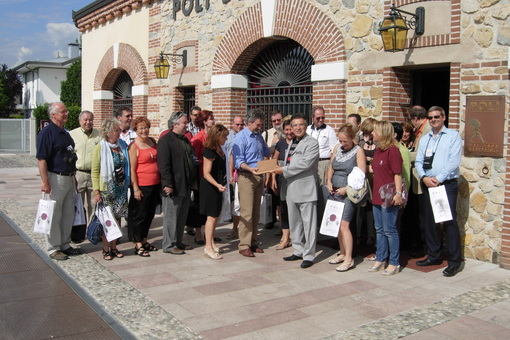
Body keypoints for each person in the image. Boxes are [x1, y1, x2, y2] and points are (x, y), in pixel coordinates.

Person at [415, 106, 462, 277]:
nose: (433, 119)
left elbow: (453, 161)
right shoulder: (425, 138)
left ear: (444, 117)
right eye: (430, 117)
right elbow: (419, 161)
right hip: (428, 183)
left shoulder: (453, 136)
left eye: (436, 116)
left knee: (448, 223)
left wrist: (439, 179)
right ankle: (434, 255)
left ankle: (454, 261)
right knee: (430, 222)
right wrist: (424, 177)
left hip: (445, 184)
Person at [36, 102, 82, 261]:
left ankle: (64, 244)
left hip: (68, 177)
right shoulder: (47, 133)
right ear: (53, 115)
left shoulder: (64, 133)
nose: (67, 113)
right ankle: (53, 248)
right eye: (63, 111)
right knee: (54, 214)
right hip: (55, 177)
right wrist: (45, 181)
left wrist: (74, 178)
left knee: (68, 213)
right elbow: (41, 159)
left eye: (66, 111)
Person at [275, 114, 319, 269]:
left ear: (306, 126)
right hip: (291, 188)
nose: (298, 128)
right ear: (291, 128)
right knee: (294, 222)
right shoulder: (292, 142)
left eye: (301, 125)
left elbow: (305, 164)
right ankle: (298, 249)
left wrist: (283, 170)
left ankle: (309, 255)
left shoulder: (312, 143)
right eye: (295, 125)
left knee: (309, 224)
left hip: (306, 188)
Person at [325, 124, 366, 272]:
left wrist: (346, 189)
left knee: (344, 225)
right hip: (334, 191)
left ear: (352, 138)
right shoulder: (337, 148)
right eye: (340, 141)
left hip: (348, 193)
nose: (342, 144)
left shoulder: (358, 151)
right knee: (336, 224)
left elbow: (361, 175)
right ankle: (342, 252)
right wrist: (329, 181)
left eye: (345, 141)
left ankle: (349, 257)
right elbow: (331, 166)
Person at [157, 111, 197, 255]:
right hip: (173, 185)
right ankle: (169, 244)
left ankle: (178, 241)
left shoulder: (184, 139)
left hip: (185, 184)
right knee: (171, 216)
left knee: (181, 216)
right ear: (174, 124)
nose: (187, 125)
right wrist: (167, 183)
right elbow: (163, 164)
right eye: (184, 123)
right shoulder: (165, 140)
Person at [232, 109, 270, 257]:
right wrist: (250, 169)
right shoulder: (240, 138)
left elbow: (266, 152)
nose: (260, 128)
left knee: (255, 212)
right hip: (247, 177)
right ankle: (244, 244)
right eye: (258, 125)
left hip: (259, 176)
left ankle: (253, 241)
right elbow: (238, 161)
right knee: (246, 213)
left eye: (261, 125)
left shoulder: (259, 136)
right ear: (249, 122)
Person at [91, 118, 130, 261]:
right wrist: (96, 191)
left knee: (118, 219)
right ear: (108, 132)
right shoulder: (100, 148)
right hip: (107, 189)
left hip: (120, 189)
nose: (120, 132)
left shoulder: (122, 145)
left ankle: (114, 247)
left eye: (119, 130)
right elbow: (95, 171)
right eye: (116, 130)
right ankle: (106, 249)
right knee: (107, 220)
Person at [368, 121, 403, 276]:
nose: (372, 134)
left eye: (375, 131)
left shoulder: (393, 151)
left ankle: (394, 262)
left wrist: (398, 193)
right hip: (377, 195)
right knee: (379, 229)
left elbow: (397, 173)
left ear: (383, 133)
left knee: (390, 230)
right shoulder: (378, 151)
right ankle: (381, 258)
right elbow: (374, 168)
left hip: (389, 197)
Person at [127, 117, 161, 257]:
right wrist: (136, 188)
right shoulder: (134, 146)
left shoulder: (152, 142)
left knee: (150, 214)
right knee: (139, 215)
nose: (144, 130)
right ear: (135, 130)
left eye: (146, 127)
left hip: (155, 184)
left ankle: (145, 239)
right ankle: (138, 243)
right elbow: (132, 170)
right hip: (142, 185)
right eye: (140, 128)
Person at [200, 124, 229, 259]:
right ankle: (207, 247)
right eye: (224, 136)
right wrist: (217, 185)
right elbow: (206, 173)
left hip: (218, 186)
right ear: (217, 136)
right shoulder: (209, 151)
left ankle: (211, 241)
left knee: (215, 216)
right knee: (211, 217)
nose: (226, 139)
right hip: (210, 187)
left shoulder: (219, 149)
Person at [69, 110, 101, 226]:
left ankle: (92, 232)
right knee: (77, 204)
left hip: (94, 175)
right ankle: (77, 233)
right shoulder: (72, 135)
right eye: (85, 120)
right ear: (80, 121)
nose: (88, 122)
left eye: (90, 120)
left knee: (94, 205)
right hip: (79, 174)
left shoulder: (99, 135)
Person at [190, 110, 216, 244]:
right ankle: (198, 233)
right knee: (200, 205)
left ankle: (210, 234)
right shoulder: (198, 138)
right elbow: (194, 159)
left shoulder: (214, 136)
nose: (213, 121)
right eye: (211, 119)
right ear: (204, 122)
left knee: (211, 206)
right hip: (201, 177)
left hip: (214, 175)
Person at [271, 119, 293, 250]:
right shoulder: (280, 144)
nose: (289, 132)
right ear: (283, 131)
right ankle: (285, 237)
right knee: (283, 208)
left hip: (295, 180)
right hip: (282, 179)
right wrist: (273, 178)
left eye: (291, 129)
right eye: (287, 129)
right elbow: (274, 161)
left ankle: (294, 236)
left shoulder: (299, 143)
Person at [261, 110, 284, 229]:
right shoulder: (266, 134)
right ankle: (270, 219)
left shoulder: (286, 132)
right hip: (269, 165)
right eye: (274, 121)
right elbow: (264, 153)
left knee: (279, 195)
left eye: (279, 120)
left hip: (281, 165)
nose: (276, 122)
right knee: (270, 193)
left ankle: (281, 223)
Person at [306, 106, 339, 186]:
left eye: (323, 118)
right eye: (318, 118)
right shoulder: (307, 130)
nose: (321, 120)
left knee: (321, 189)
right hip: (309, 163)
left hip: (323, 163)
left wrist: (330, 169)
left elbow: (333, 151)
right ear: (313, 118)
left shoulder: (329, 130)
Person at [224, 115, 244, 240]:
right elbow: (230, 157)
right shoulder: (228, 138)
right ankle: (235, 229)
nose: (239, 126)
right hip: (235, 175)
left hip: (246, 173)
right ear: (232, 124)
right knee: (236, 204)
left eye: (241, 124)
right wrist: (230, 174)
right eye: (237, 124)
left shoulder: (247, 135)